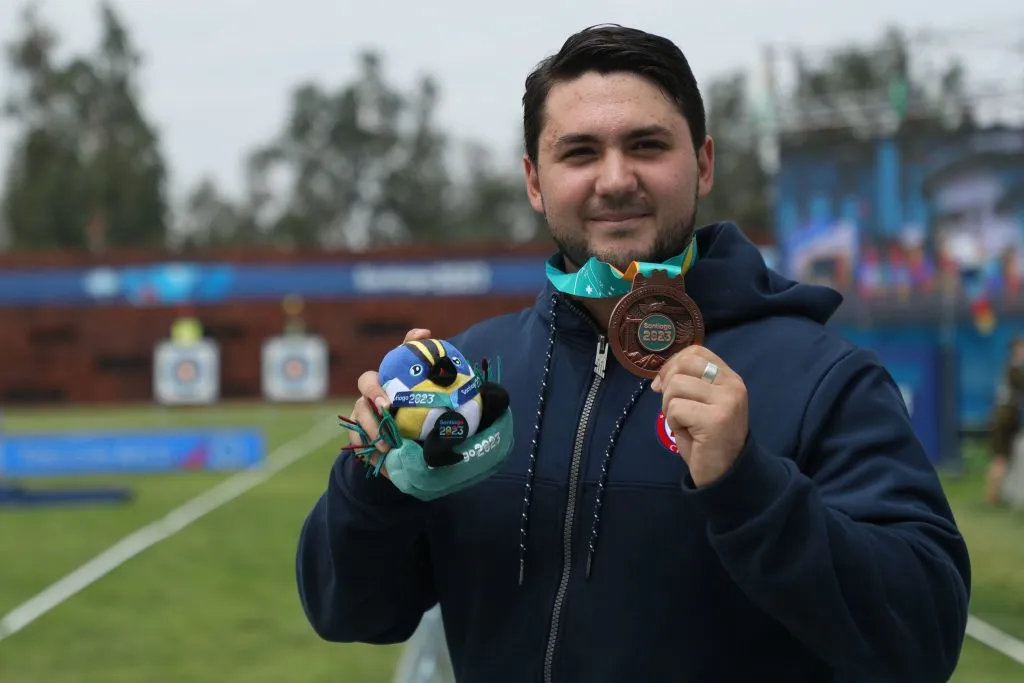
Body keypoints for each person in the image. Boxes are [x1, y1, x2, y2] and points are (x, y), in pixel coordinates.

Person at [295, 24, 971, 682]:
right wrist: (376, 482)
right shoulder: (475, 375)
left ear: (702, 163)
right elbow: (348, 610)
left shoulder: (822, 378)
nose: (615, 179)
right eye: (580, 153)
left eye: (646, 145)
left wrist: (748, 486)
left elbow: (924, 637)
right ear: (534, 181)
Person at [986, 336, 1024, 504]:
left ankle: (996, 496)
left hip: (1006, 417)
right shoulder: (1013, 368)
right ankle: (991, 497)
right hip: (1004, 419)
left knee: (1005, 458)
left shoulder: (1012, 367)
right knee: (1000, 458)